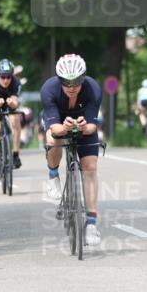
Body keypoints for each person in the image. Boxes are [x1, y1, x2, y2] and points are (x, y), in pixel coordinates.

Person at [41, 54, 103, 246]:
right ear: (59, 80)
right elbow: (55, 129)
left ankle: (91, 224)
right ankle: (53, 176)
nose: (71, 86)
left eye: (76, 81)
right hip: (59, 123)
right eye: (66, 82)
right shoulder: (49, 90)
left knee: (90, 167)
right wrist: (65, 128)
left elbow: (93, 126)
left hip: (84, 125)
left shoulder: (93, 89)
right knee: (53, 139)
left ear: (83, 78)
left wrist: (85, 127)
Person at [0, 58, 23, 176]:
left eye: (8, 77)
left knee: (16, 119)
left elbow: (16, 102)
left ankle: (16, 154)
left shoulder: (16, 82)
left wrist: (12, 103)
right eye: (3, 77)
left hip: (9, 106)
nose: (6, 80)